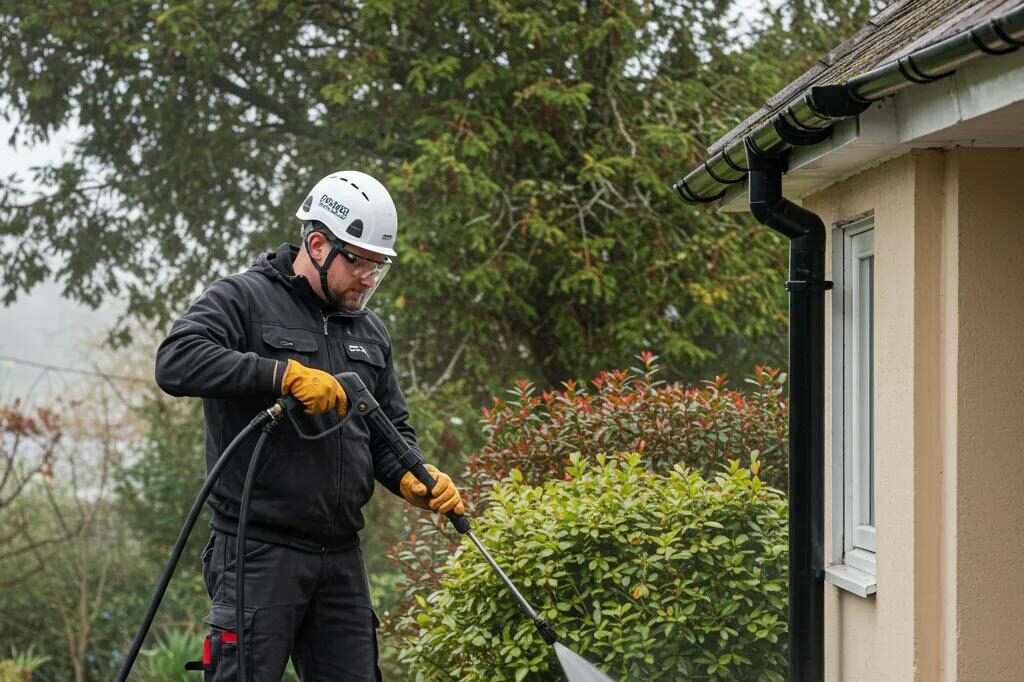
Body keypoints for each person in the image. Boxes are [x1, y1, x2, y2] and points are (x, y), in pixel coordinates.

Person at [154, 170, 463, 681]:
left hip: (340, 557)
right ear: (318, 244)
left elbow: (388, 431)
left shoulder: (369, 331)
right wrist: (282, 374)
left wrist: (411, 475)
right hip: (257, 554)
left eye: (379, 269)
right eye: (361, 264)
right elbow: (176, 361)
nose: (369, 280)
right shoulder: (243, 300)